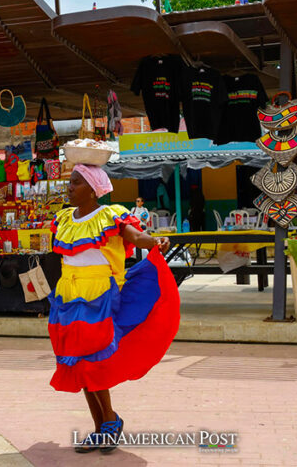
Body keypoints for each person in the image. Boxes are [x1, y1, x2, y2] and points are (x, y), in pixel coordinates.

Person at [48, 165, 179, 453]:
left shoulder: (109, 215)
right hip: (69, 297)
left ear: (94, 189)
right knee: (79, 363)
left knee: (93, 361)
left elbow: (135, 237)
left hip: (100, 297)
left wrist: (156, 240)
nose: (69, 187)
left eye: (76, 183)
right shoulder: (63, 219)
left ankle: (109, 420)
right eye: (69, 182)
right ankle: (100, 428)